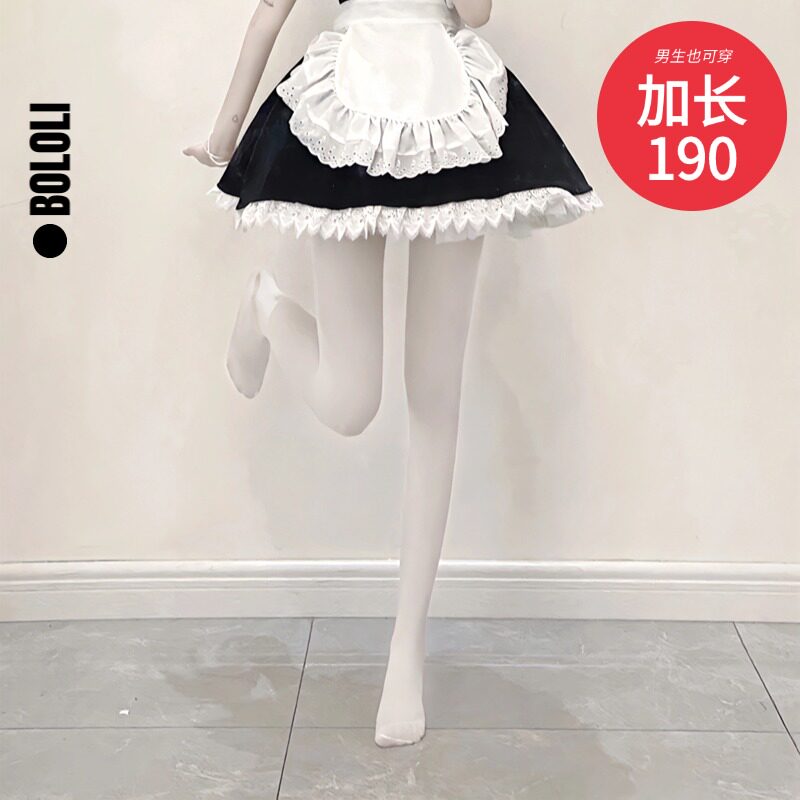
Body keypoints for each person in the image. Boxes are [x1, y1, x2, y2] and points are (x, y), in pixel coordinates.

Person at [185, 0, 600, 748]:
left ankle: (406, 649)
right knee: (350, 402)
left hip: (453, 106)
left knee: (436, 396)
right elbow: (271, 10)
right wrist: (224, 134)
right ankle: (268, 308)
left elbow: (475, 13)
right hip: (345, 103)